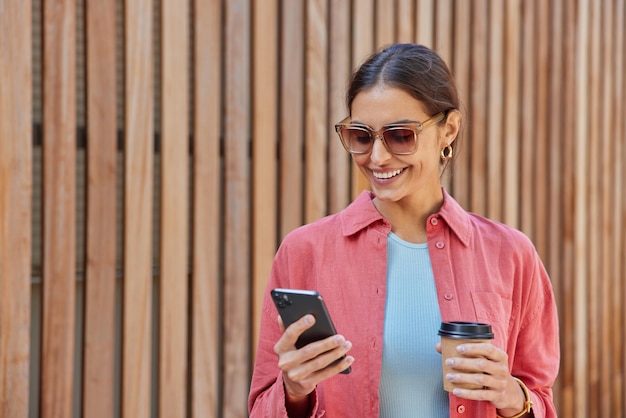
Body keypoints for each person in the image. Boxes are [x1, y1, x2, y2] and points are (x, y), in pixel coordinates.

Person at [248, 43, 559, 418]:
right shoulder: (304, 251)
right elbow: (262, 407)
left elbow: (540, 399)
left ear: (449, 130)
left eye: (400, 135)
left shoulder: (511, 255)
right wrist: (294, 390)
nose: (377, 157)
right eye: (361, 136)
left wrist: (512, 396)